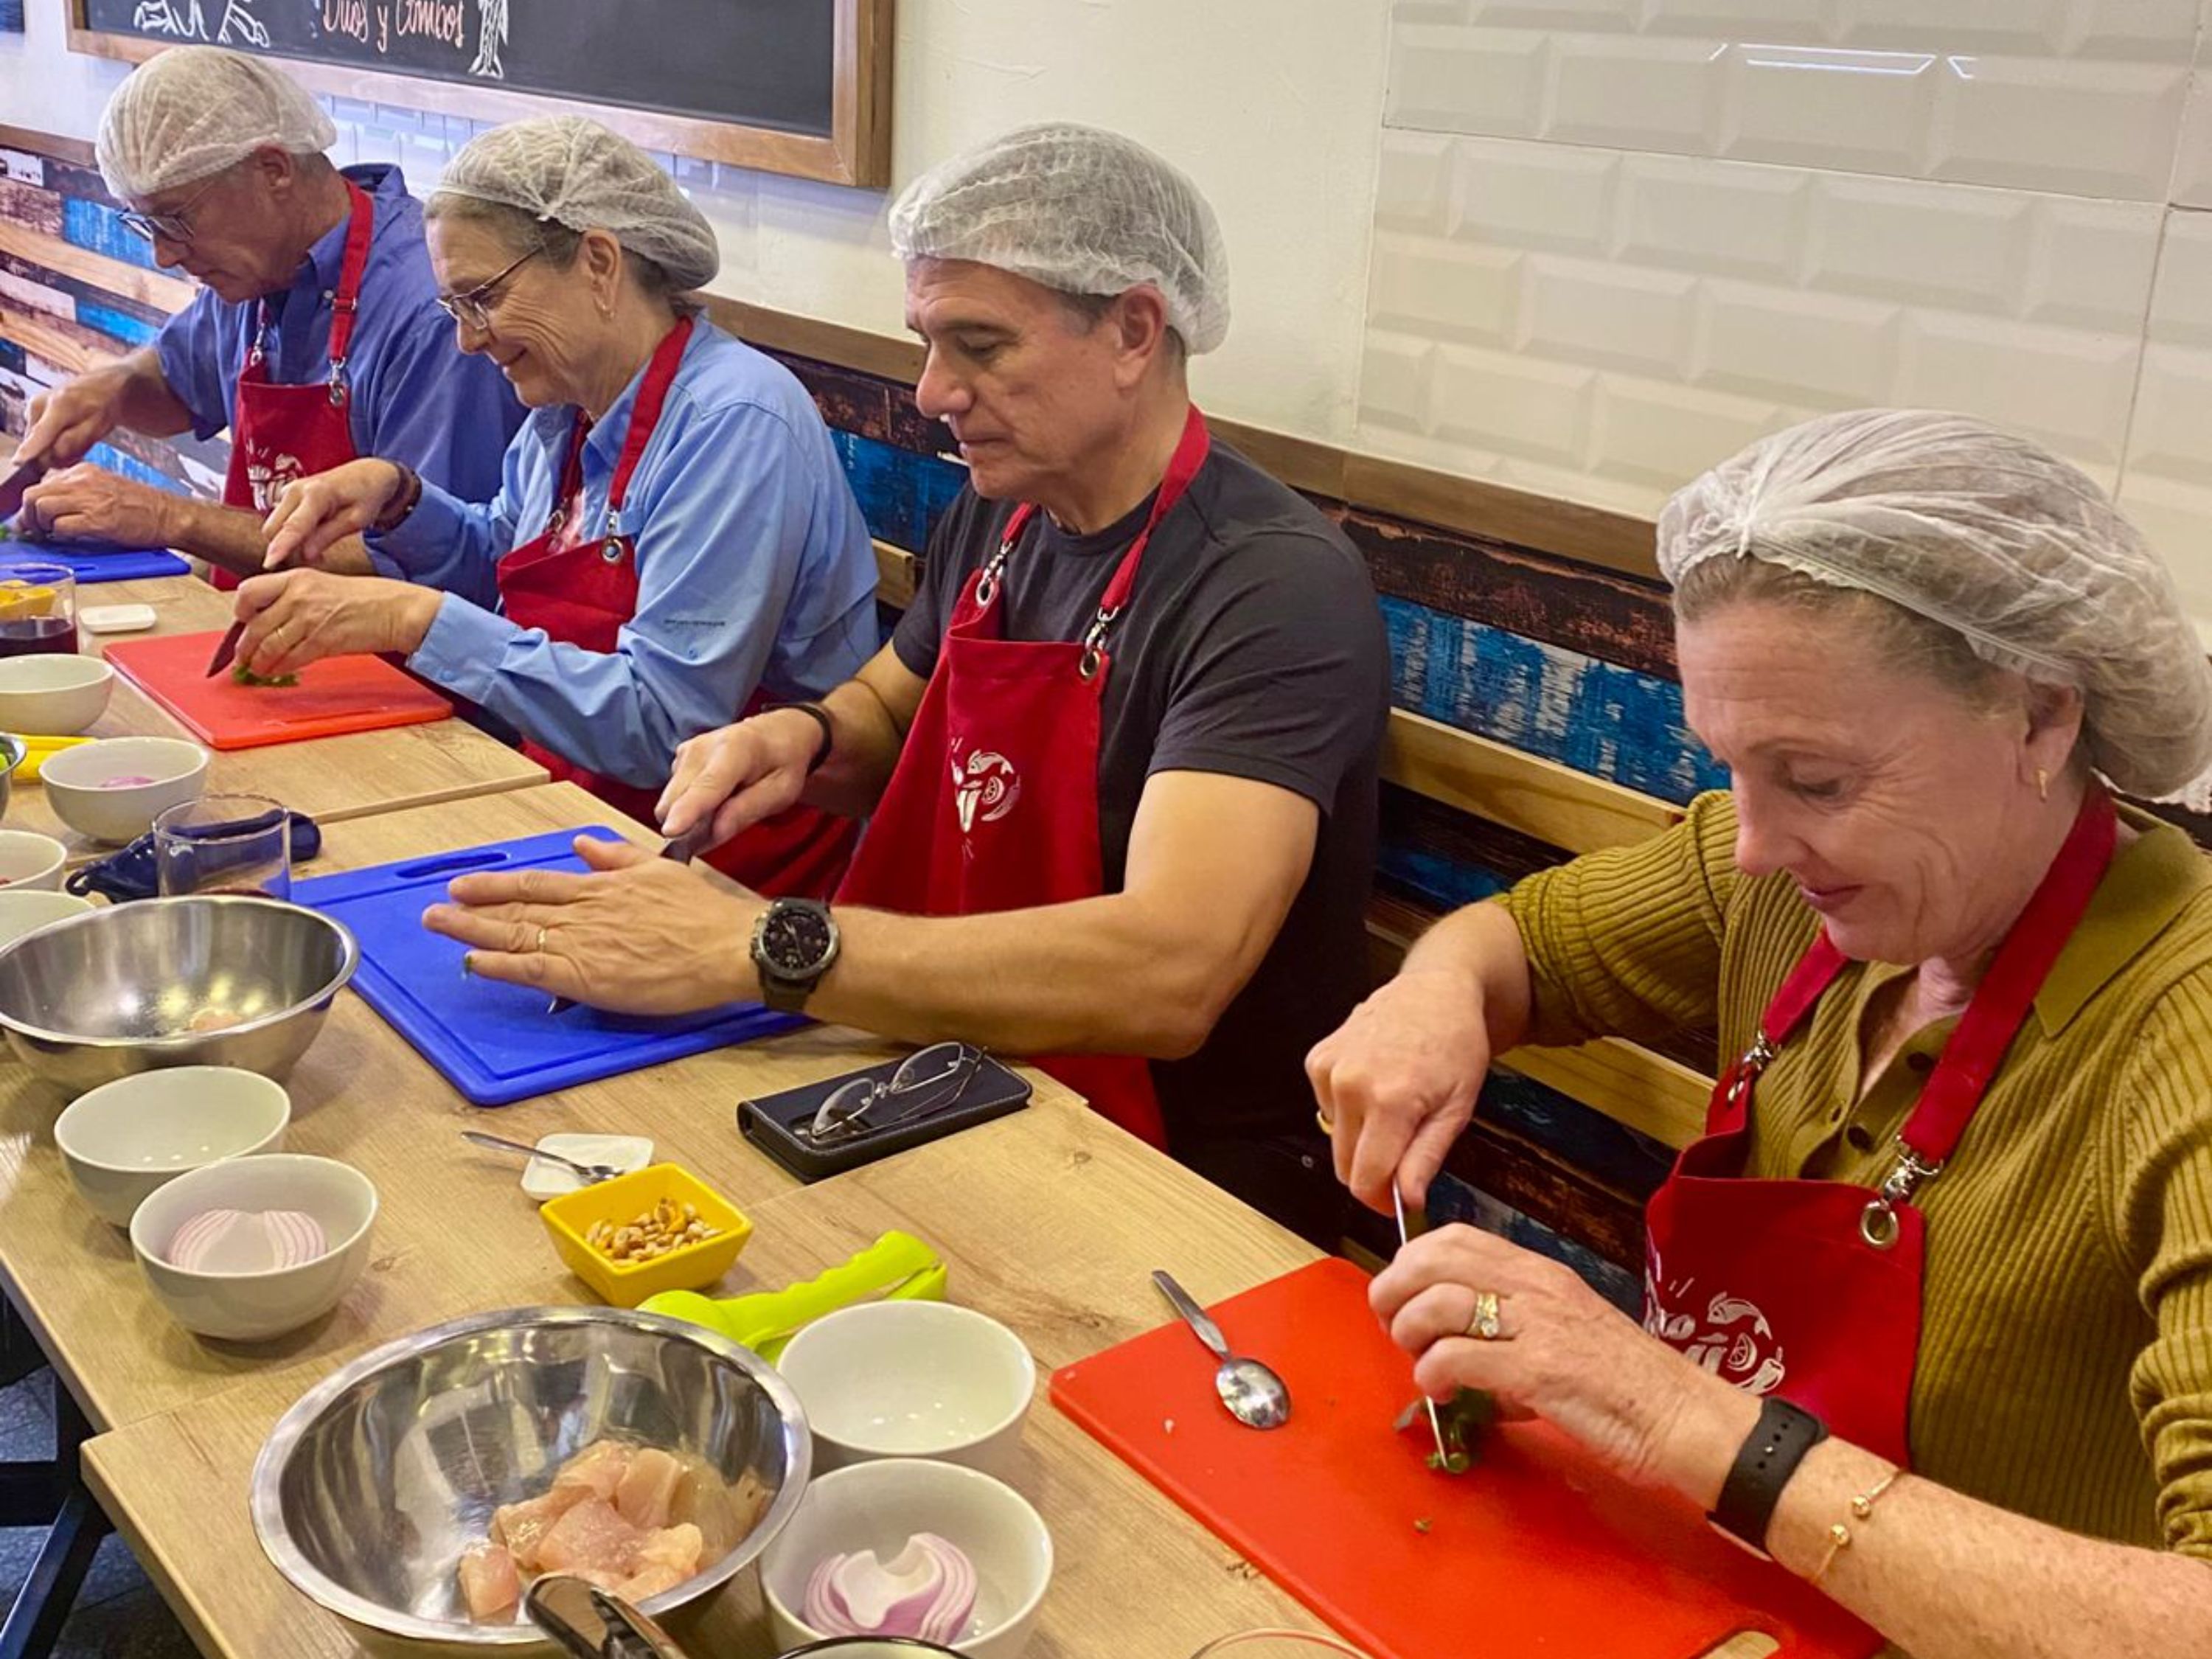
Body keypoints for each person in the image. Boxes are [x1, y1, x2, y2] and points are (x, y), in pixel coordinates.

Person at [1310, 409, 2212, 1656]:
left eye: (1821, 783)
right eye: (1733, 766)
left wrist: (1677, 1420)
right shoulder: (1795, 887)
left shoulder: (2186, 1029)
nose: (1753, 846)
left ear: (2043, 719)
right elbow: (1514, 947)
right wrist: (1429, 1000)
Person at [417, 123, 1390, 1243]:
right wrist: (791, 743)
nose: (933, 392)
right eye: (928, 340)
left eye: (979, 345)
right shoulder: (1007, 504)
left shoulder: (1268, 587)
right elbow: (887, 705)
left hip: (1167, 1164)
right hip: (955, 1056)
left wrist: (758, 946)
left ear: (1134, 327)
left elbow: (1169, 971)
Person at [234, 116, 877, 897]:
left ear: (599, 262)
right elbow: (502, 557)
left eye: (482, 300)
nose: (469, 343)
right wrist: (399, 496)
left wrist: (409, 618)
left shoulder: (733, 422)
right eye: (454, 310)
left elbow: (665, 726)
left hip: (732, 872)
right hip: (584, 817)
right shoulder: (564, 410)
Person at [15, 46, 522, 582]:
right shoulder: (258, 271)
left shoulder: (432, 316)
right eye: (147, 226)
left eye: (176, 221)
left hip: (394, 658)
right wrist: (112, 389)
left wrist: (172, 518)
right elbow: (179, 382)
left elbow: (427, 565)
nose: (164, 255)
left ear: (273, 169)